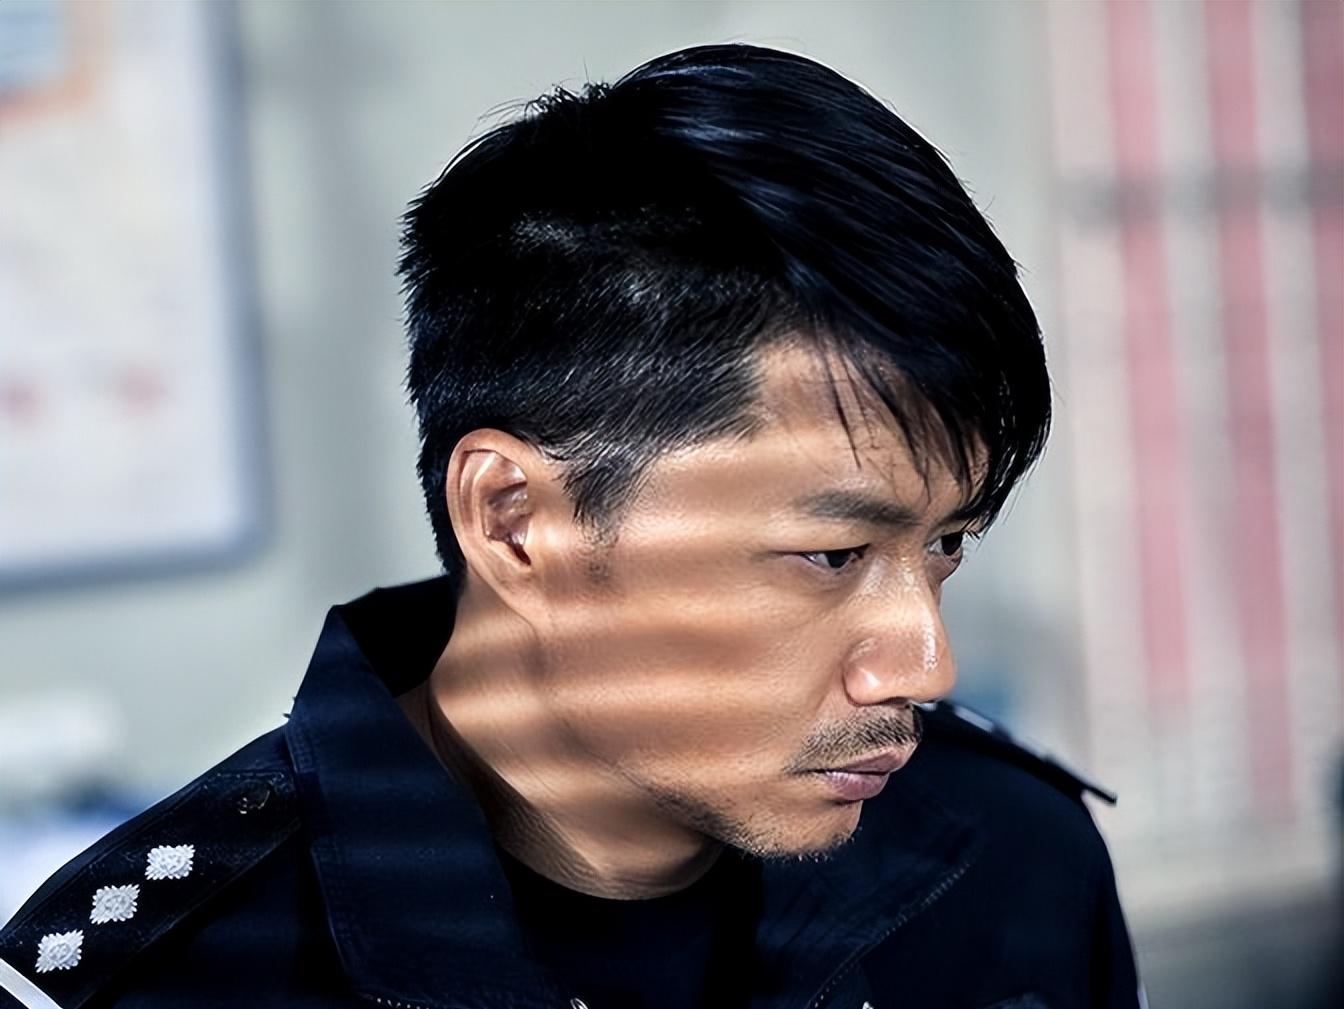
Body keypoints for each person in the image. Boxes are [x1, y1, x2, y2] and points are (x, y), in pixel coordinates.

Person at [0, 42, 1142, 1009]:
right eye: (831, 555)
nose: (924, 666)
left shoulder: (1014, 862)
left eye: (946, 543)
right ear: (513, 522)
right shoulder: (171, 977)